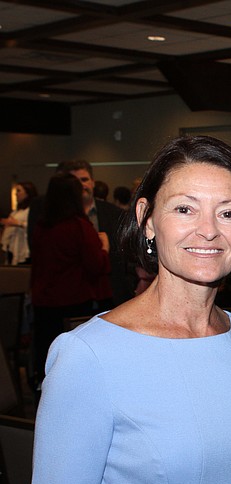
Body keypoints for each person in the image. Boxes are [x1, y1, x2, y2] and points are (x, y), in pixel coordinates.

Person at [24, 135, 231, 484]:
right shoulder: (88, 355)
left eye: (228, 212)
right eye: (185, 208)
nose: (209, 229)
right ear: (147, 219)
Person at [29, 174, 111, 397]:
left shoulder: (41, 227)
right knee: (72, 363)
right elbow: (96, 265)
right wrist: (105, 248)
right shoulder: (79, 226)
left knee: (48, 359)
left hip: (44, 302)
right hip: (73, 302)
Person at [56, 160, 133, 306]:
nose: (81, 185)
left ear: (93, 182)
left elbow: (126, 258)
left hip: (110, 297)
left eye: (84, 180)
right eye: (75, 181)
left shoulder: (115, 214)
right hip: (71, 298)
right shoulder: (58, 220)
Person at [1, 181, 37, 265]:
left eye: (19, 191)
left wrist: (18, 223)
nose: (16, 194)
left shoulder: (31, 210)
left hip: (23, 246)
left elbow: (33, 225)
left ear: (27, 193)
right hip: (12, 244)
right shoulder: (17, 211)